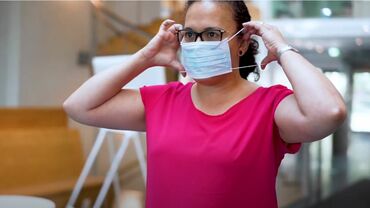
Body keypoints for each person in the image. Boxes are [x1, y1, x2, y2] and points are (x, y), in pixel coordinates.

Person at [63, 1, 347, 207]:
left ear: (243, 42)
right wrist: (146, 57)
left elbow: (329, 112)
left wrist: (282, 48)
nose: (198, 44)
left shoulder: (270, 107)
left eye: (212, 34)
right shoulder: (162, 100)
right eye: (190, 35)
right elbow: (79, 106)